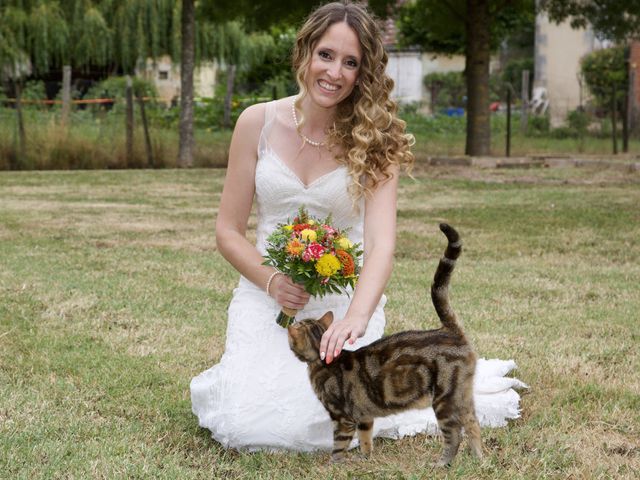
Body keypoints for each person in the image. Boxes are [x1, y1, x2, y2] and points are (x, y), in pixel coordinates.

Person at [191, 1, 525, 451]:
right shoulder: (256, 123)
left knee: (326, 416)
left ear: (364, 73)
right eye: (326, 55)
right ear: (305, 51)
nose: (335, 72)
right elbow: (227, 230)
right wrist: (272, 281)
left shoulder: (376, 140)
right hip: (265, 297)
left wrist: (357, 317)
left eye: (351, 62)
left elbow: (381, 244)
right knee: (247, 427)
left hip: (339, 306)